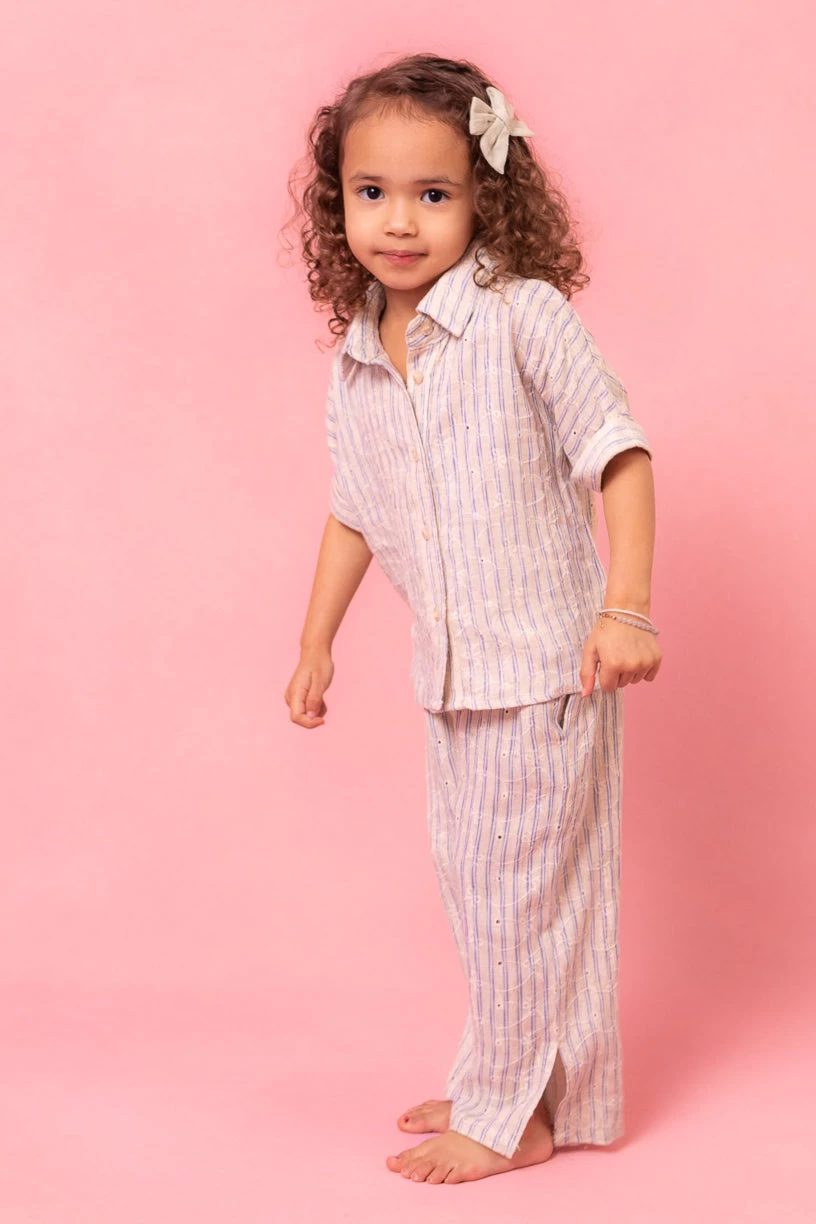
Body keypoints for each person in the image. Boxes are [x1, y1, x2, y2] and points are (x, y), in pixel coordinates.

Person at [281, 52, 661, 1186]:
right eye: (372, 192)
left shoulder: (519, 315)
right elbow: (356, 512)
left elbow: (620, 452)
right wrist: (315, 642)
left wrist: (628, 606)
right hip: (451, 677)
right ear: (338, 202)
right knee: (489, 892)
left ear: (485, 197)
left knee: (517, 900)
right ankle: (546, 1087)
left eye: (433, 193)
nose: (399, 221)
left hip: (545, 668)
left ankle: (508, 1115)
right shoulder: (360, 355)